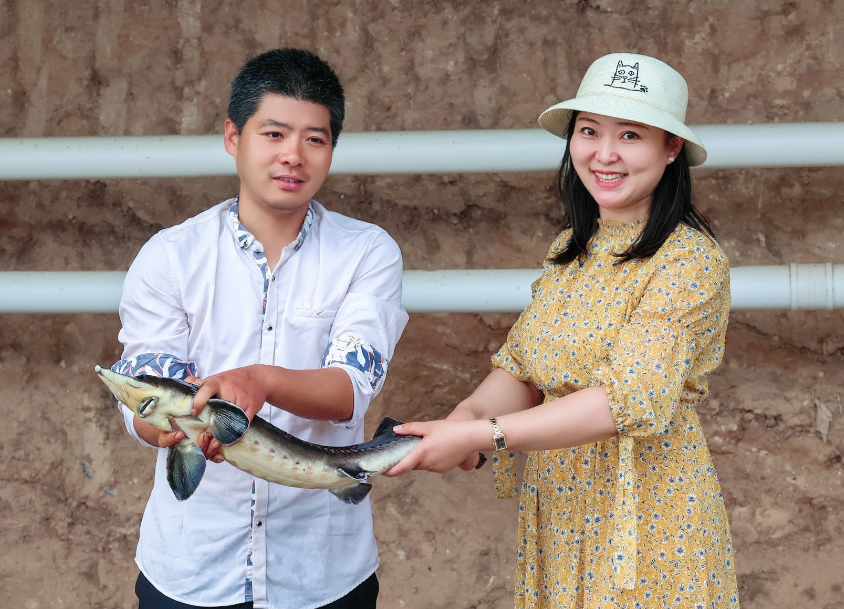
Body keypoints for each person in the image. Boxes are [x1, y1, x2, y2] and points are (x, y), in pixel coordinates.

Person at [386, 53, 740, 608]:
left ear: (671, 147)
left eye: (630, 134)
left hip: (648, 525)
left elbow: (625, 400)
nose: (604, 153)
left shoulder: (690, 261)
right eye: (589, 131)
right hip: (560, 509)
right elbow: (524, 371)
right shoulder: (569, 251)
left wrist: (484, 435)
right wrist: (464, 419)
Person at [112, 48, 408, 609]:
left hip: (323, 574)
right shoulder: (170, 257)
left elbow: (350, 387)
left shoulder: (369, 253)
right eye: (273, 134)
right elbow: (146, 388)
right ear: (233, 138)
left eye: (314, 139)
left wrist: (261, 381)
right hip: (190, 571)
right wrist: (163, 428)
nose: (293, 155)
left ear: (331, 149)